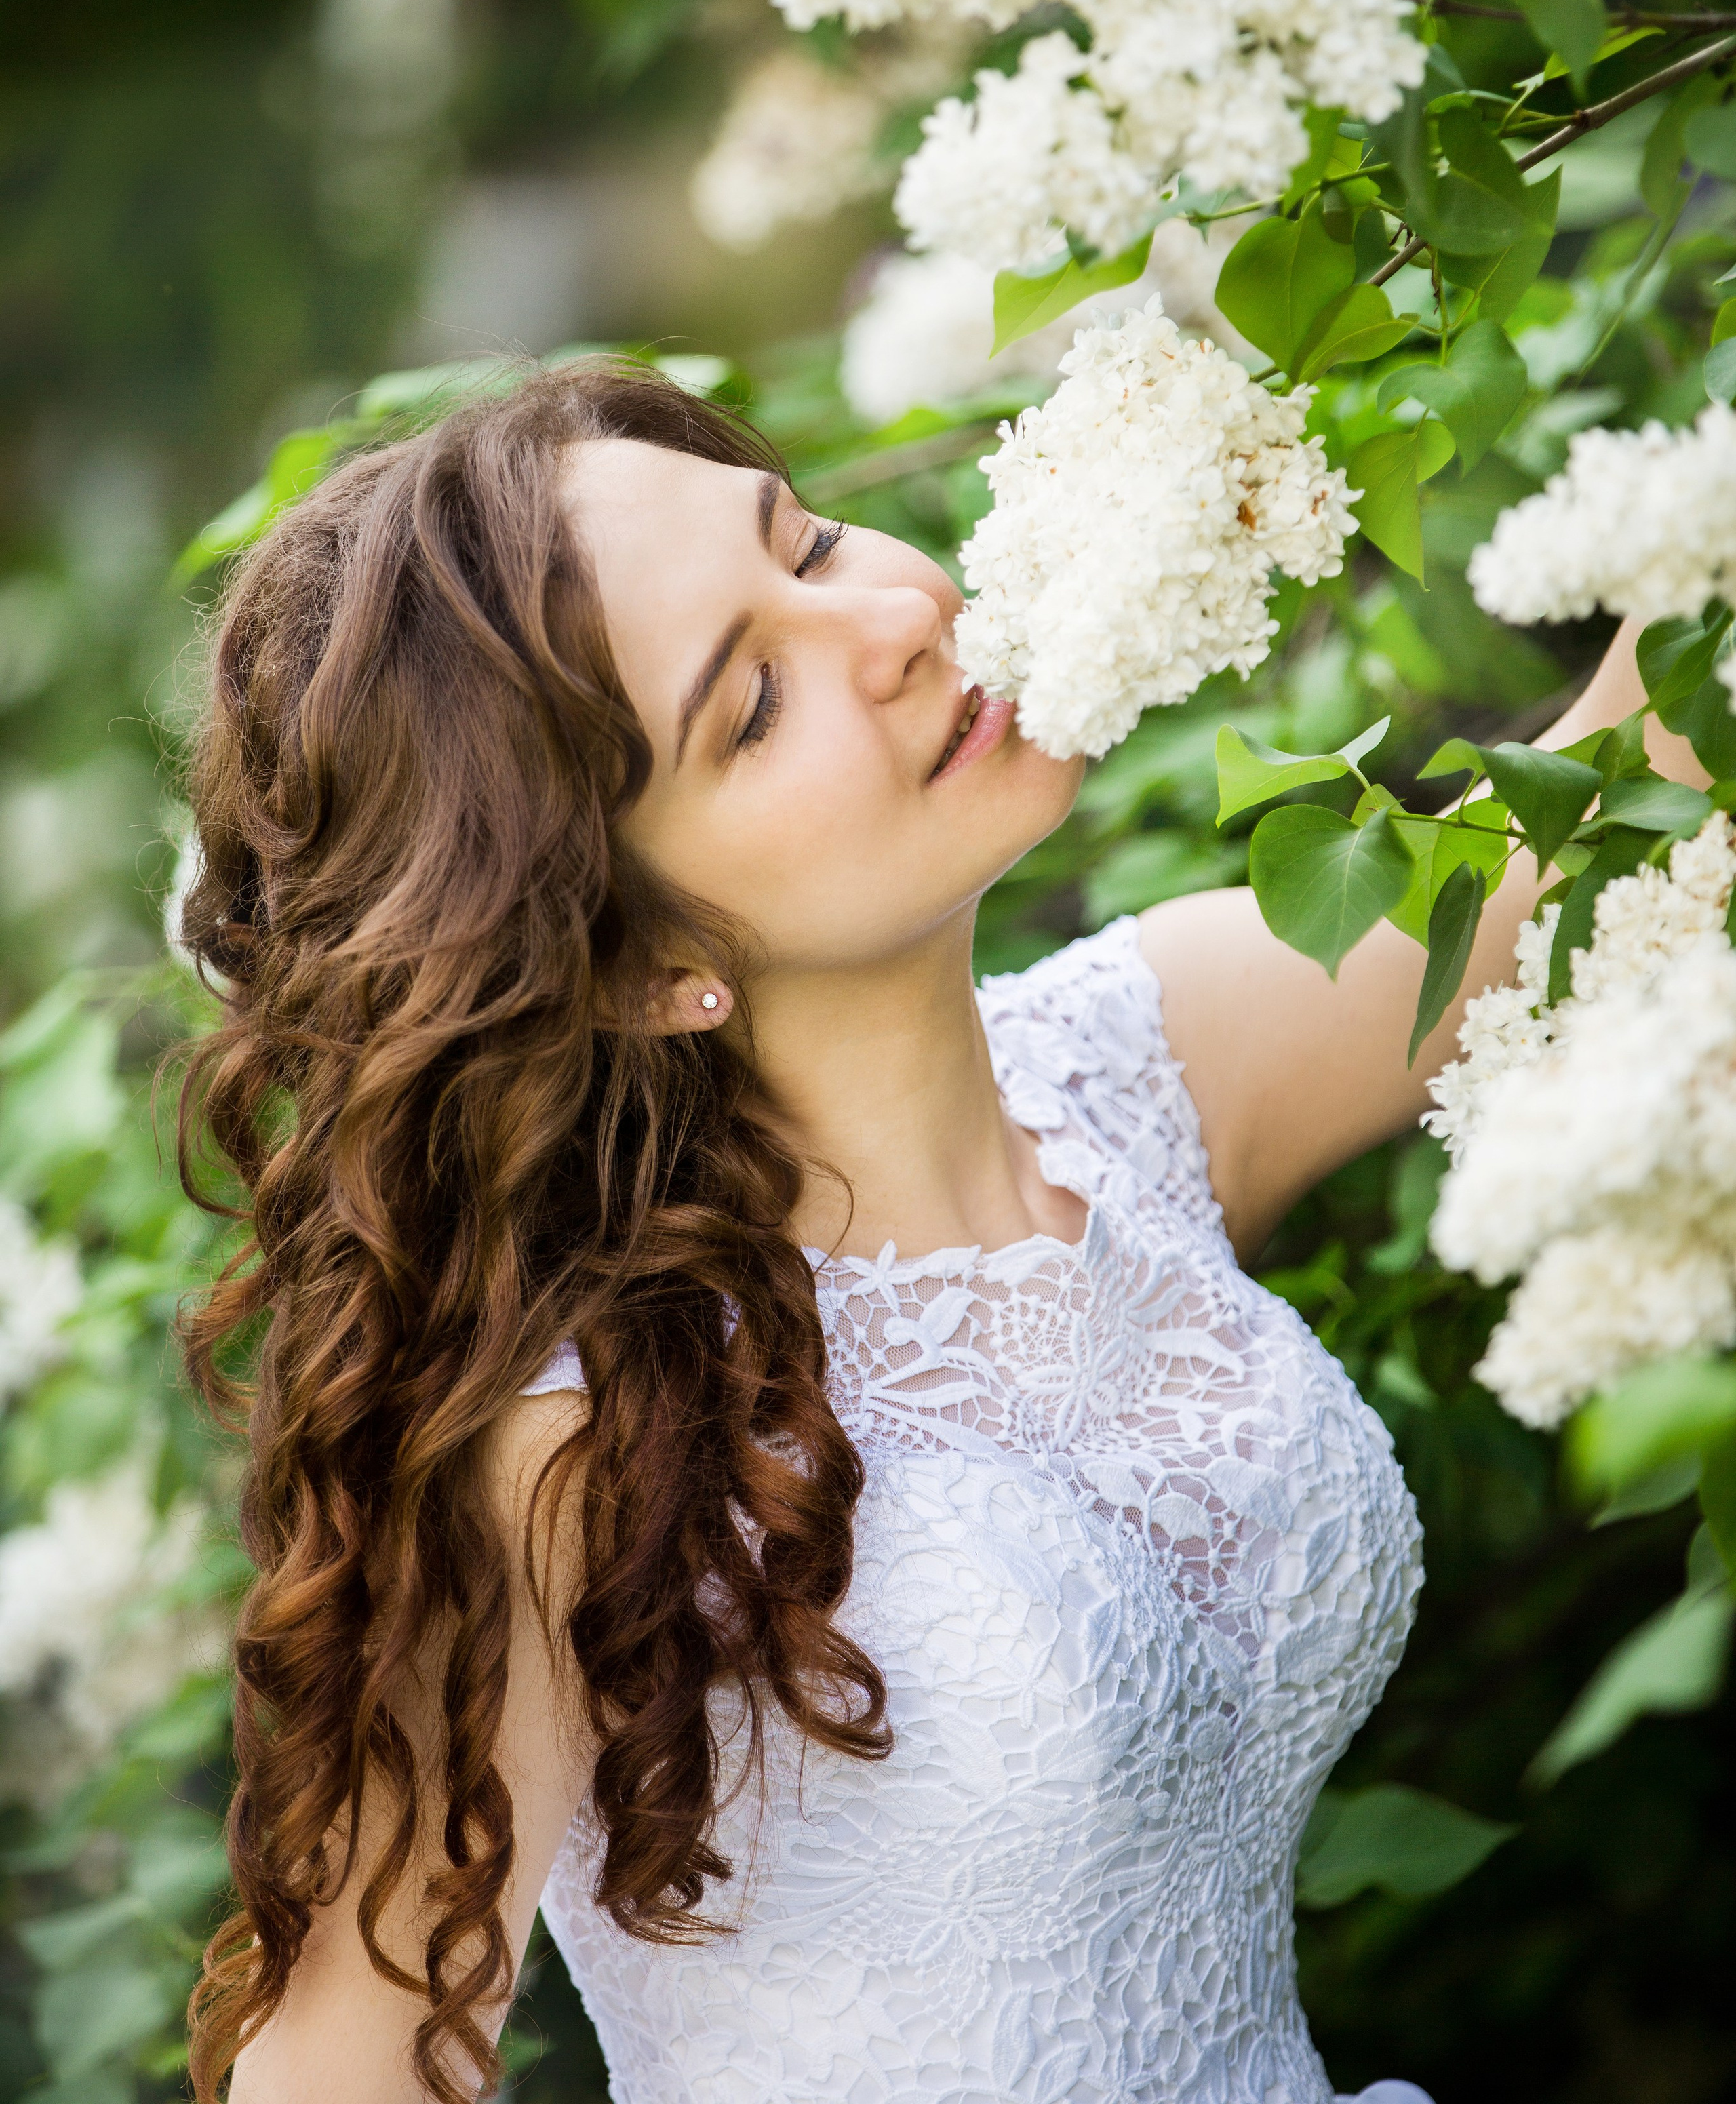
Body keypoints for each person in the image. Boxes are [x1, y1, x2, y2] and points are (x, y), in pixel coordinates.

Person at [178, 361, 1692, 2104]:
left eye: (806, 541)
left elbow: (1605, 838)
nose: (888, 621)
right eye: (750, 704)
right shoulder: (572, 1433)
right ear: (636, 961)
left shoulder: (1147, 1059)